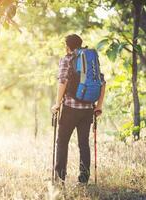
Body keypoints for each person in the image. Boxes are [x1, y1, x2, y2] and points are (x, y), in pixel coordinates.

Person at [51, 34, 106, 184]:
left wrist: (57, 104)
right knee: (83, 144)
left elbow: (63, 81)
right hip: (88, 109)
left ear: (67, 46)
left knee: (62, 141)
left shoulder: (67, 59)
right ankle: (83, 180)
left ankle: (60, 178)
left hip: (70, 108)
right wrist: (99, 106)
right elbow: (102, 83)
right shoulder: (91, 59)